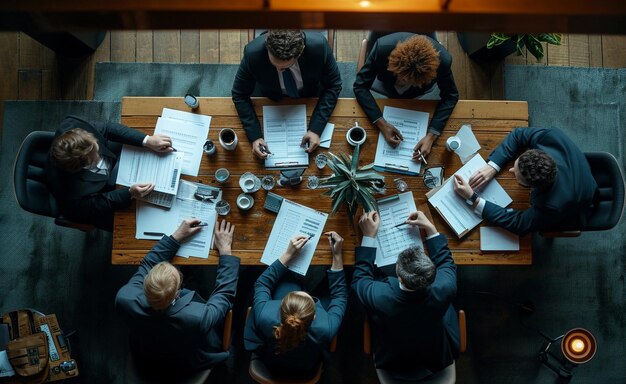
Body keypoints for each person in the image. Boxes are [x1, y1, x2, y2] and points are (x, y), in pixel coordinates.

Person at [115, 219, 240, 374]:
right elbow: (224, 294)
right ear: (178, 292)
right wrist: (226, 251)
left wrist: (176, 236)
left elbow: (147, 264)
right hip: (186, 363)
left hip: (148, 353)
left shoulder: (125, 298)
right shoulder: (197, 317)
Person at [352, 211, 459, 380]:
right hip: (435, 358)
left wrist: (368, 237)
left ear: (398, 276)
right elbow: (446, 261)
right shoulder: (445, 287)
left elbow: (360, 279)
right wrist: (431, 228)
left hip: (393, 361)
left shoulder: (379, 297)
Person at [452, 127, 598, 236]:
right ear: (534, 151)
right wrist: (493, 166)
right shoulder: (550, 137)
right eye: (516, 165)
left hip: (582, 204)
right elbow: (518, 135)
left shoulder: (552, 205)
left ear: (531, 187)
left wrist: (473, 198)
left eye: (518, 179)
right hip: (579, 170)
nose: (510, 171)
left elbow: (519, 224)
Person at [243, 232, 348, 376]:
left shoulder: (265, 315)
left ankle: (293, 283)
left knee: (288, 282)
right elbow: (339, 296)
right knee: (330, 289)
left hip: (271, 362)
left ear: (281, 306)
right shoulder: (326, 328)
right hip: (305, 368)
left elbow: (262, 284)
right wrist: (337, 255)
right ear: (315, 316)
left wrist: (287, 254)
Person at [47, 115, 174, 230]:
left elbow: (108, 128)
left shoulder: (74, 125)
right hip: (102, 192)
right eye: (96, 155)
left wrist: (147, 140)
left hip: (121, 160)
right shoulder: (68, 191)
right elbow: (94, 205)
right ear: (83, 167)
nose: (99, 151)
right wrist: (129, 193)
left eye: (95, 146)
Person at [232, 30, 342, 159]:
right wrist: (255, 136)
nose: (279, 69)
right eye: (275, 64)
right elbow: (239, 94)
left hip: (309, 95)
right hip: (271, 97)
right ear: (267, 46)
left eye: (285, 66)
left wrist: (316, 129)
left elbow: (334, 85)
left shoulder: (319, 46)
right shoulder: (252, 53)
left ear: (301, 52)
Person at [353, 32, 459, 160]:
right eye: (403, 78)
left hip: (417, 91)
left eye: (410, 80)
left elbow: (451, 96)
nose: (404, 83)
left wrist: (431, 136)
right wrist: (382, 124)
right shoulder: (382, 48)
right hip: (387, 82)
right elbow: (360, 86)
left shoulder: (443, 61)